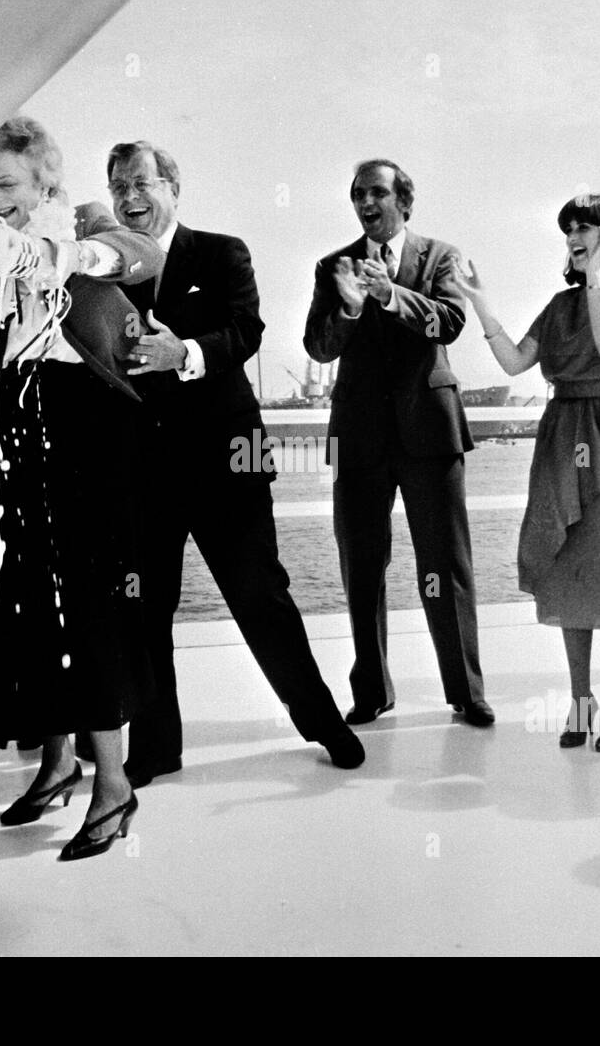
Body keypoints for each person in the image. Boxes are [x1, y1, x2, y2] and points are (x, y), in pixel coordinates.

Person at [0, 118, 164, 859]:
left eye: (7, 184)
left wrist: (57, 253)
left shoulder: (83, 225)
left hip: (85, 435)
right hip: (14, 442)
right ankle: (57, 761)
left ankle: (114, 785)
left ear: (42, 184)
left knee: (91, 609)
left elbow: (137, 252)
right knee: (28, 604)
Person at [105, 140, 364, 787]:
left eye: (141, 183)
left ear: (173, 185)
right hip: (143, 470)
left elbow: (246, 331)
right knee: (144, 610)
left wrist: (183, 353)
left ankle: (324, 722)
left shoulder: (222, 252)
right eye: (118, 187)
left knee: (261, 599)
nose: (129, 198)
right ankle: (156, 747)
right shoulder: (102, 267)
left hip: (227, 462)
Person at [455, 194, 600, 751]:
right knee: (567, 561)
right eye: (567, 228)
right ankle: (580, 699)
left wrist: (598, 274)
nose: (573, 236)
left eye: (586, 227)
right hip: (561, 431)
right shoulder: (557, 303)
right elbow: (514, 362)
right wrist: (481, 306)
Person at [303, 159, 493, 728]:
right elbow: (318, 348)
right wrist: (352, 306)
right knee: (361, 565)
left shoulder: (441, 257)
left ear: (404, 202)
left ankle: (466, 691)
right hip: (359, 437)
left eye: (378, 193)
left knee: (446, 565)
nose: (367, 203)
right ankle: (372, 691)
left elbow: (452, 323)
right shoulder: (332, 266)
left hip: (430, 432)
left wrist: (389, 296)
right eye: (359, 194)